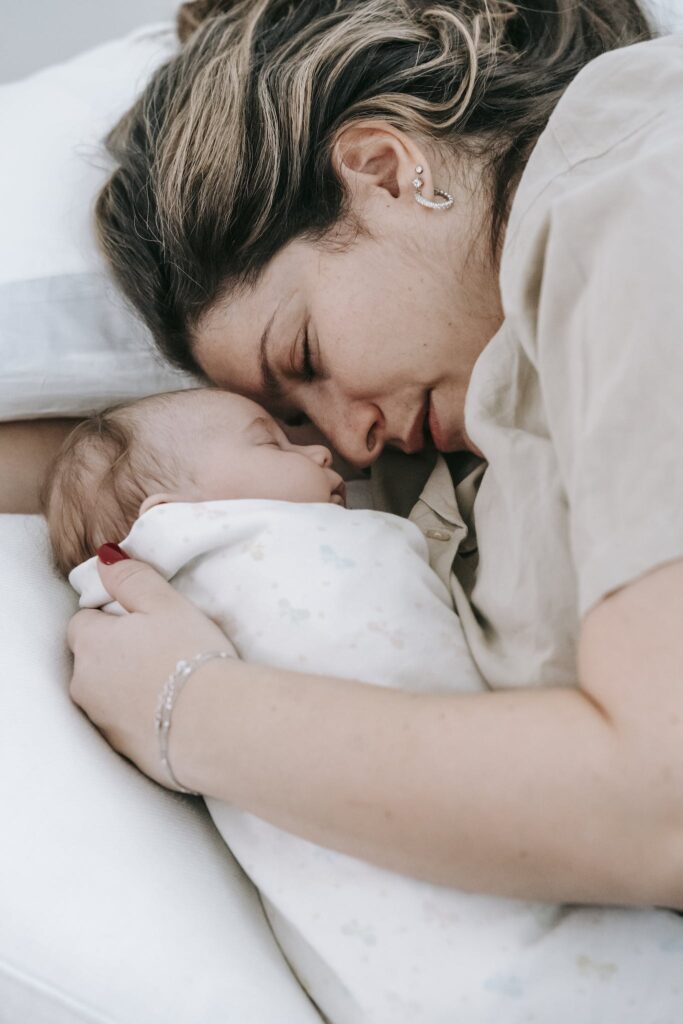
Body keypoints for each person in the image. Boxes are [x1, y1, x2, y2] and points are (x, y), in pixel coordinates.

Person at [3, 0, 683, 910]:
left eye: (304, 359)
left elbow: (659, 804)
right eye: (287, 419)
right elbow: (104, 461)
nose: (342, 442)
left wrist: (180, 708)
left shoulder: (632, 184)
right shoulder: (465, 415)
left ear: (383, 170)